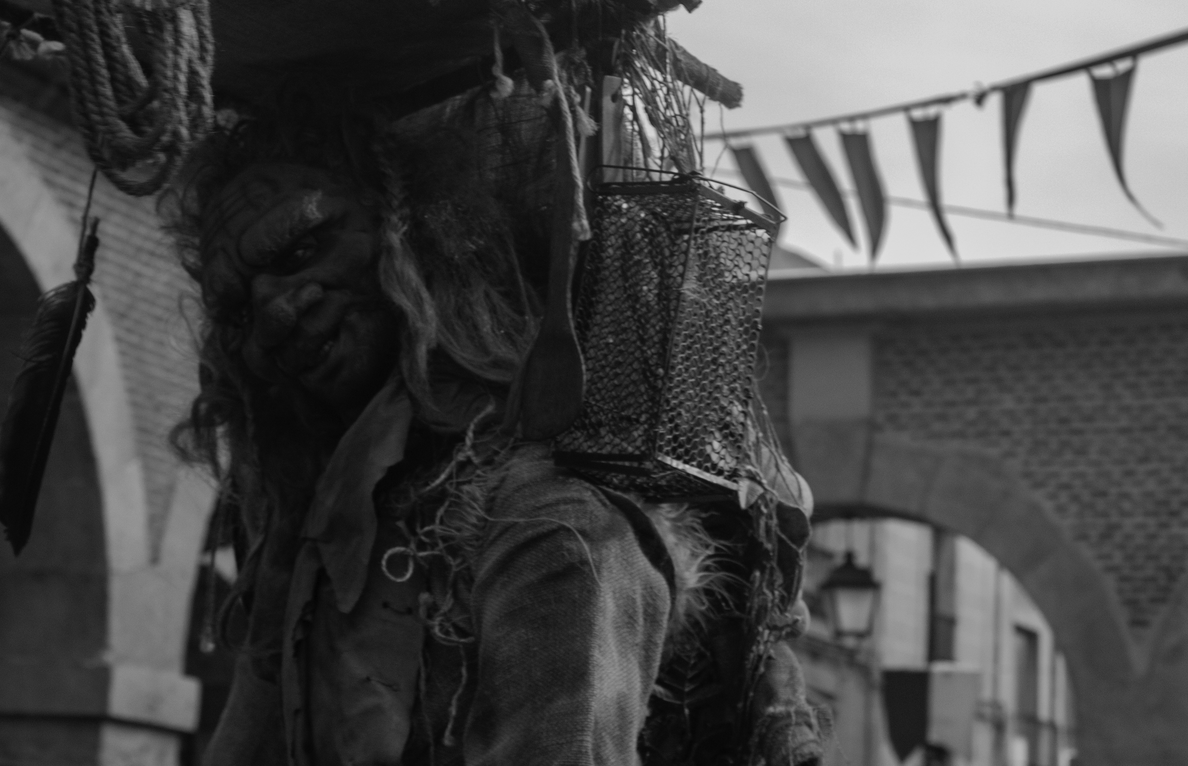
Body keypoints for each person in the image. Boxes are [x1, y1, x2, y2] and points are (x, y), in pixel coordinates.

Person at [167, 110, 822, 766]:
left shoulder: (554, 529)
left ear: (409, 232)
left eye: (304, 248)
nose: (279, 311)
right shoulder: (329, 532)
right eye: (241, 309)